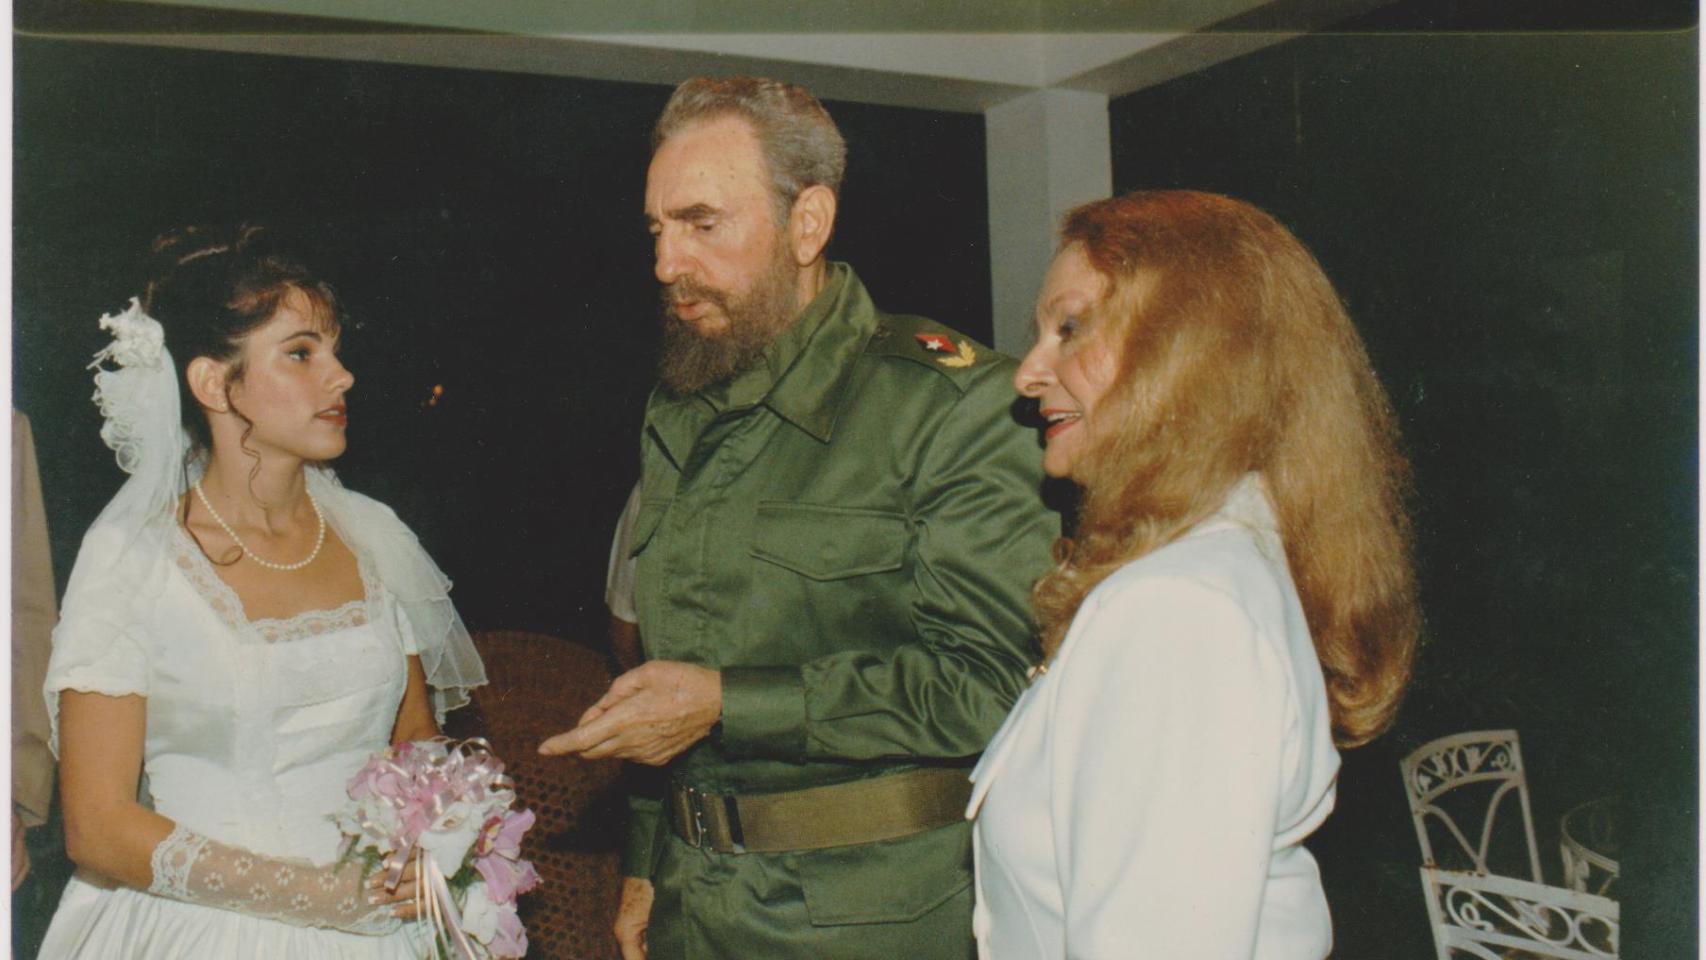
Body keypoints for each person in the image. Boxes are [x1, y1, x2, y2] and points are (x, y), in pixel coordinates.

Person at [539, 76, 1057, 959]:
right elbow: (672, 671)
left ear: (807, 224)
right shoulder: (684, 403)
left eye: (703, 224)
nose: (668, 265)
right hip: (695, 906)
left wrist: (730, 703)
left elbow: (996, 687)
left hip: (870, 916)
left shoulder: (949, 407)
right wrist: (646, 863)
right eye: (658, 231)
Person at [969, 191, 1419, 959]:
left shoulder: (1177, 609)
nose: (1029, 373)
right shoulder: (1204, 568)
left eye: (1070, 328)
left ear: (1187, 345)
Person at [40, 225, 487, 958]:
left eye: (336, 351)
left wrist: (442, 839)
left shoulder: (371, 532)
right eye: (303, 354)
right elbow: (94, 823)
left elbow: (415, 740)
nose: (341, 377)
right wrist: (322, 897)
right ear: (215, 383)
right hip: (203, 929)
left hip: (386, 928)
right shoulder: (132, 559)